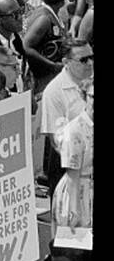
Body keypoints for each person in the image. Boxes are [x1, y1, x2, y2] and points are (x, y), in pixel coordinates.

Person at [39, 41, 93, 191]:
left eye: (91, 57)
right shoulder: (54, 92)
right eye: (83, 60)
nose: (90, 63)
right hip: (70, 169)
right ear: (66, 62)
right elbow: (57, 142)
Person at [51, 76, 93, 241]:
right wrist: (74, 209)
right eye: (92, 97)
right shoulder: (75, 130)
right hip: (79, 191)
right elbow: (72, 174)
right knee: (76, 250)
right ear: (84, 97)